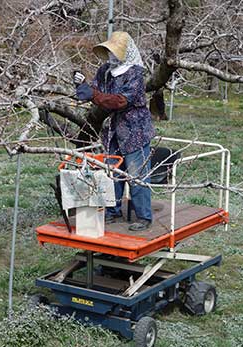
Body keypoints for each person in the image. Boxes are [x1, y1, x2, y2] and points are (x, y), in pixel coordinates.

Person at [73, 31, 155, 232]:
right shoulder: (106, 71)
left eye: (115, 52)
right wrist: (82, 84)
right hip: (113, 131)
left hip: (135, 130)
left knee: (137, 174)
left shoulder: (136, 73)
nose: (112, 56)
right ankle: (112, 211)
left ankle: (144, 216)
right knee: (111, 172)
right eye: (109, 51)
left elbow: (120, 100)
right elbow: (96, 91)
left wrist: (93, 94)